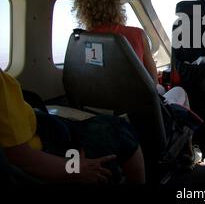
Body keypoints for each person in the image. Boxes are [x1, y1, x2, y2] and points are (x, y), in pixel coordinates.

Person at [0, 69, 145, 184]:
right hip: (49, 149)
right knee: (119, 128)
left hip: (47, 130)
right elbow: (20, 158)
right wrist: (76, 169)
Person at [73, 0, 189, 107]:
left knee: (161, 89)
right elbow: (153, 81)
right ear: (115, 6)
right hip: (136, 108)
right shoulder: (137, 34)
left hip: (100, 106)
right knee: (179, 91)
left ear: (82, 11)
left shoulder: (80, 40)